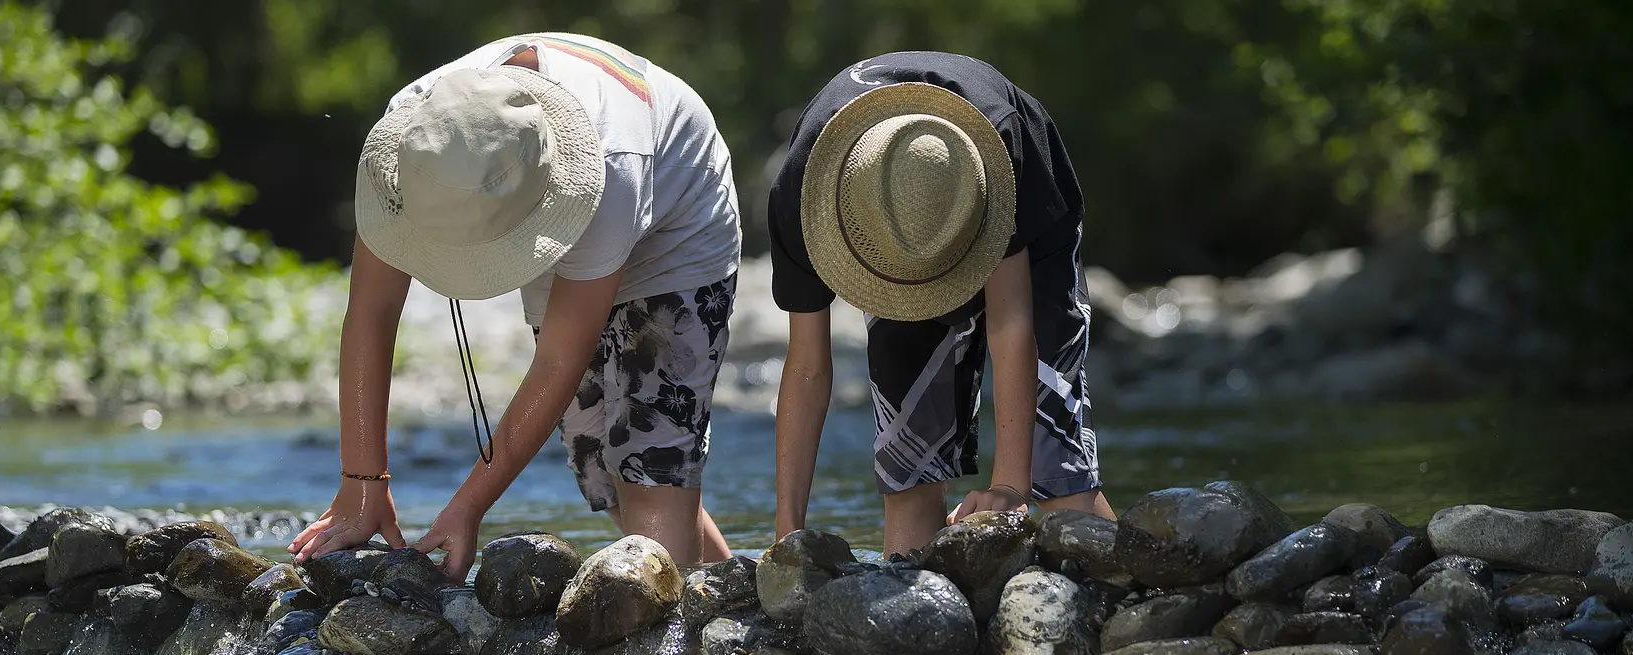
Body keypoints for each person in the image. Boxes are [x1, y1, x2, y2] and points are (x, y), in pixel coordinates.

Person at [289, 33, 741, 578]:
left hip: (678, 223)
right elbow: (371, 310)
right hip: (543, 197)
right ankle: (738, 609)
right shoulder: (416, 145)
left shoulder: (610, 167)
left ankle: (687, 651)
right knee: (604, 469)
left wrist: (468, 507)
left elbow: (558, 360)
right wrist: (361, 485)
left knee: (650, 476)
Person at [768, 52, 1113, 557]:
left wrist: (1010, 489)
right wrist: (785, 535)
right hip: (891, 223)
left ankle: (1133, 603)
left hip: (1019, 213)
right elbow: (806, 370)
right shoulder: (803, 196)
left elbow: (1011, 322)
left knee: (1058, 474)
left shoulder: (998, 155)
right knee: (910, 475)